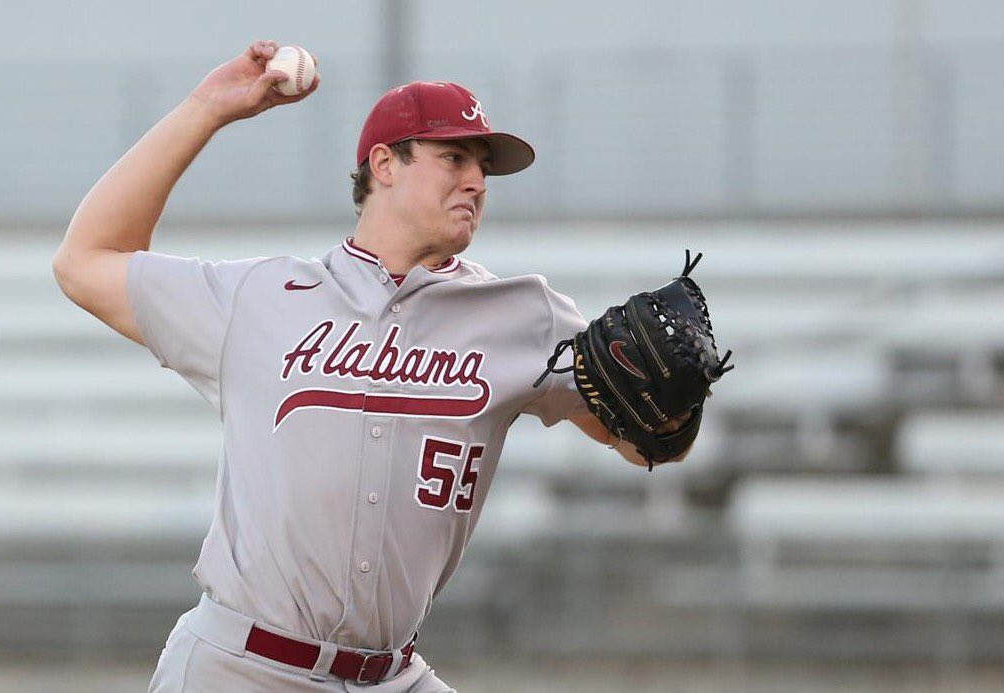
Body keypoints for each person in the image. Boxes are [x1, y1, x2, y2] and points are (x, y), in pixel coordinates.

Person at [53, 40, 692, 692]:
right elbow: (84, 261)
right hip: (241, 668)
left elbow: (646, 437)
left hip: (392, 675)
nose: (475, 179)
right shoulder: (260, 298)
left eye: (481, 165)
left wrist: (675, 405)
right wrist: (206, 110)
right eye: (453, 157)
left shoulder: (525, 314)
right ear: (384, 165)